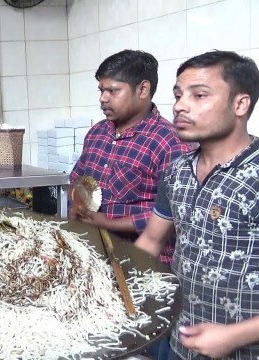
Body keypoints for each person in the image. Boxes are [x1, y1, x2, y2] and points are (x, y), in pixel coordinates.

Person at [134, 50, 259, 359]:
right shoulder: (177, 172)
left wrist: (233, 336)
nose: (180, 106)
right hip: (179, 340)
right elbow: (151, 240)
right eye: (178, 95)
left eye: (199, 95)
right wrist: (114, 287)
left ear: (240, 104)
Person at [69, 49, 191, 259]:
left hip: (145, 263)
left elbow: (177, 211)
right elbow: (77, 177)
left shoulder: (169, 141)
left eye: (113, 91)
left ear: (143, 89)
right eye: (101, 90)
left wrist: (109, 223)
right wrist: (76, 205)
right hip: (96, 254)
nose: (103, 99)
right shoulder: (97, 132)